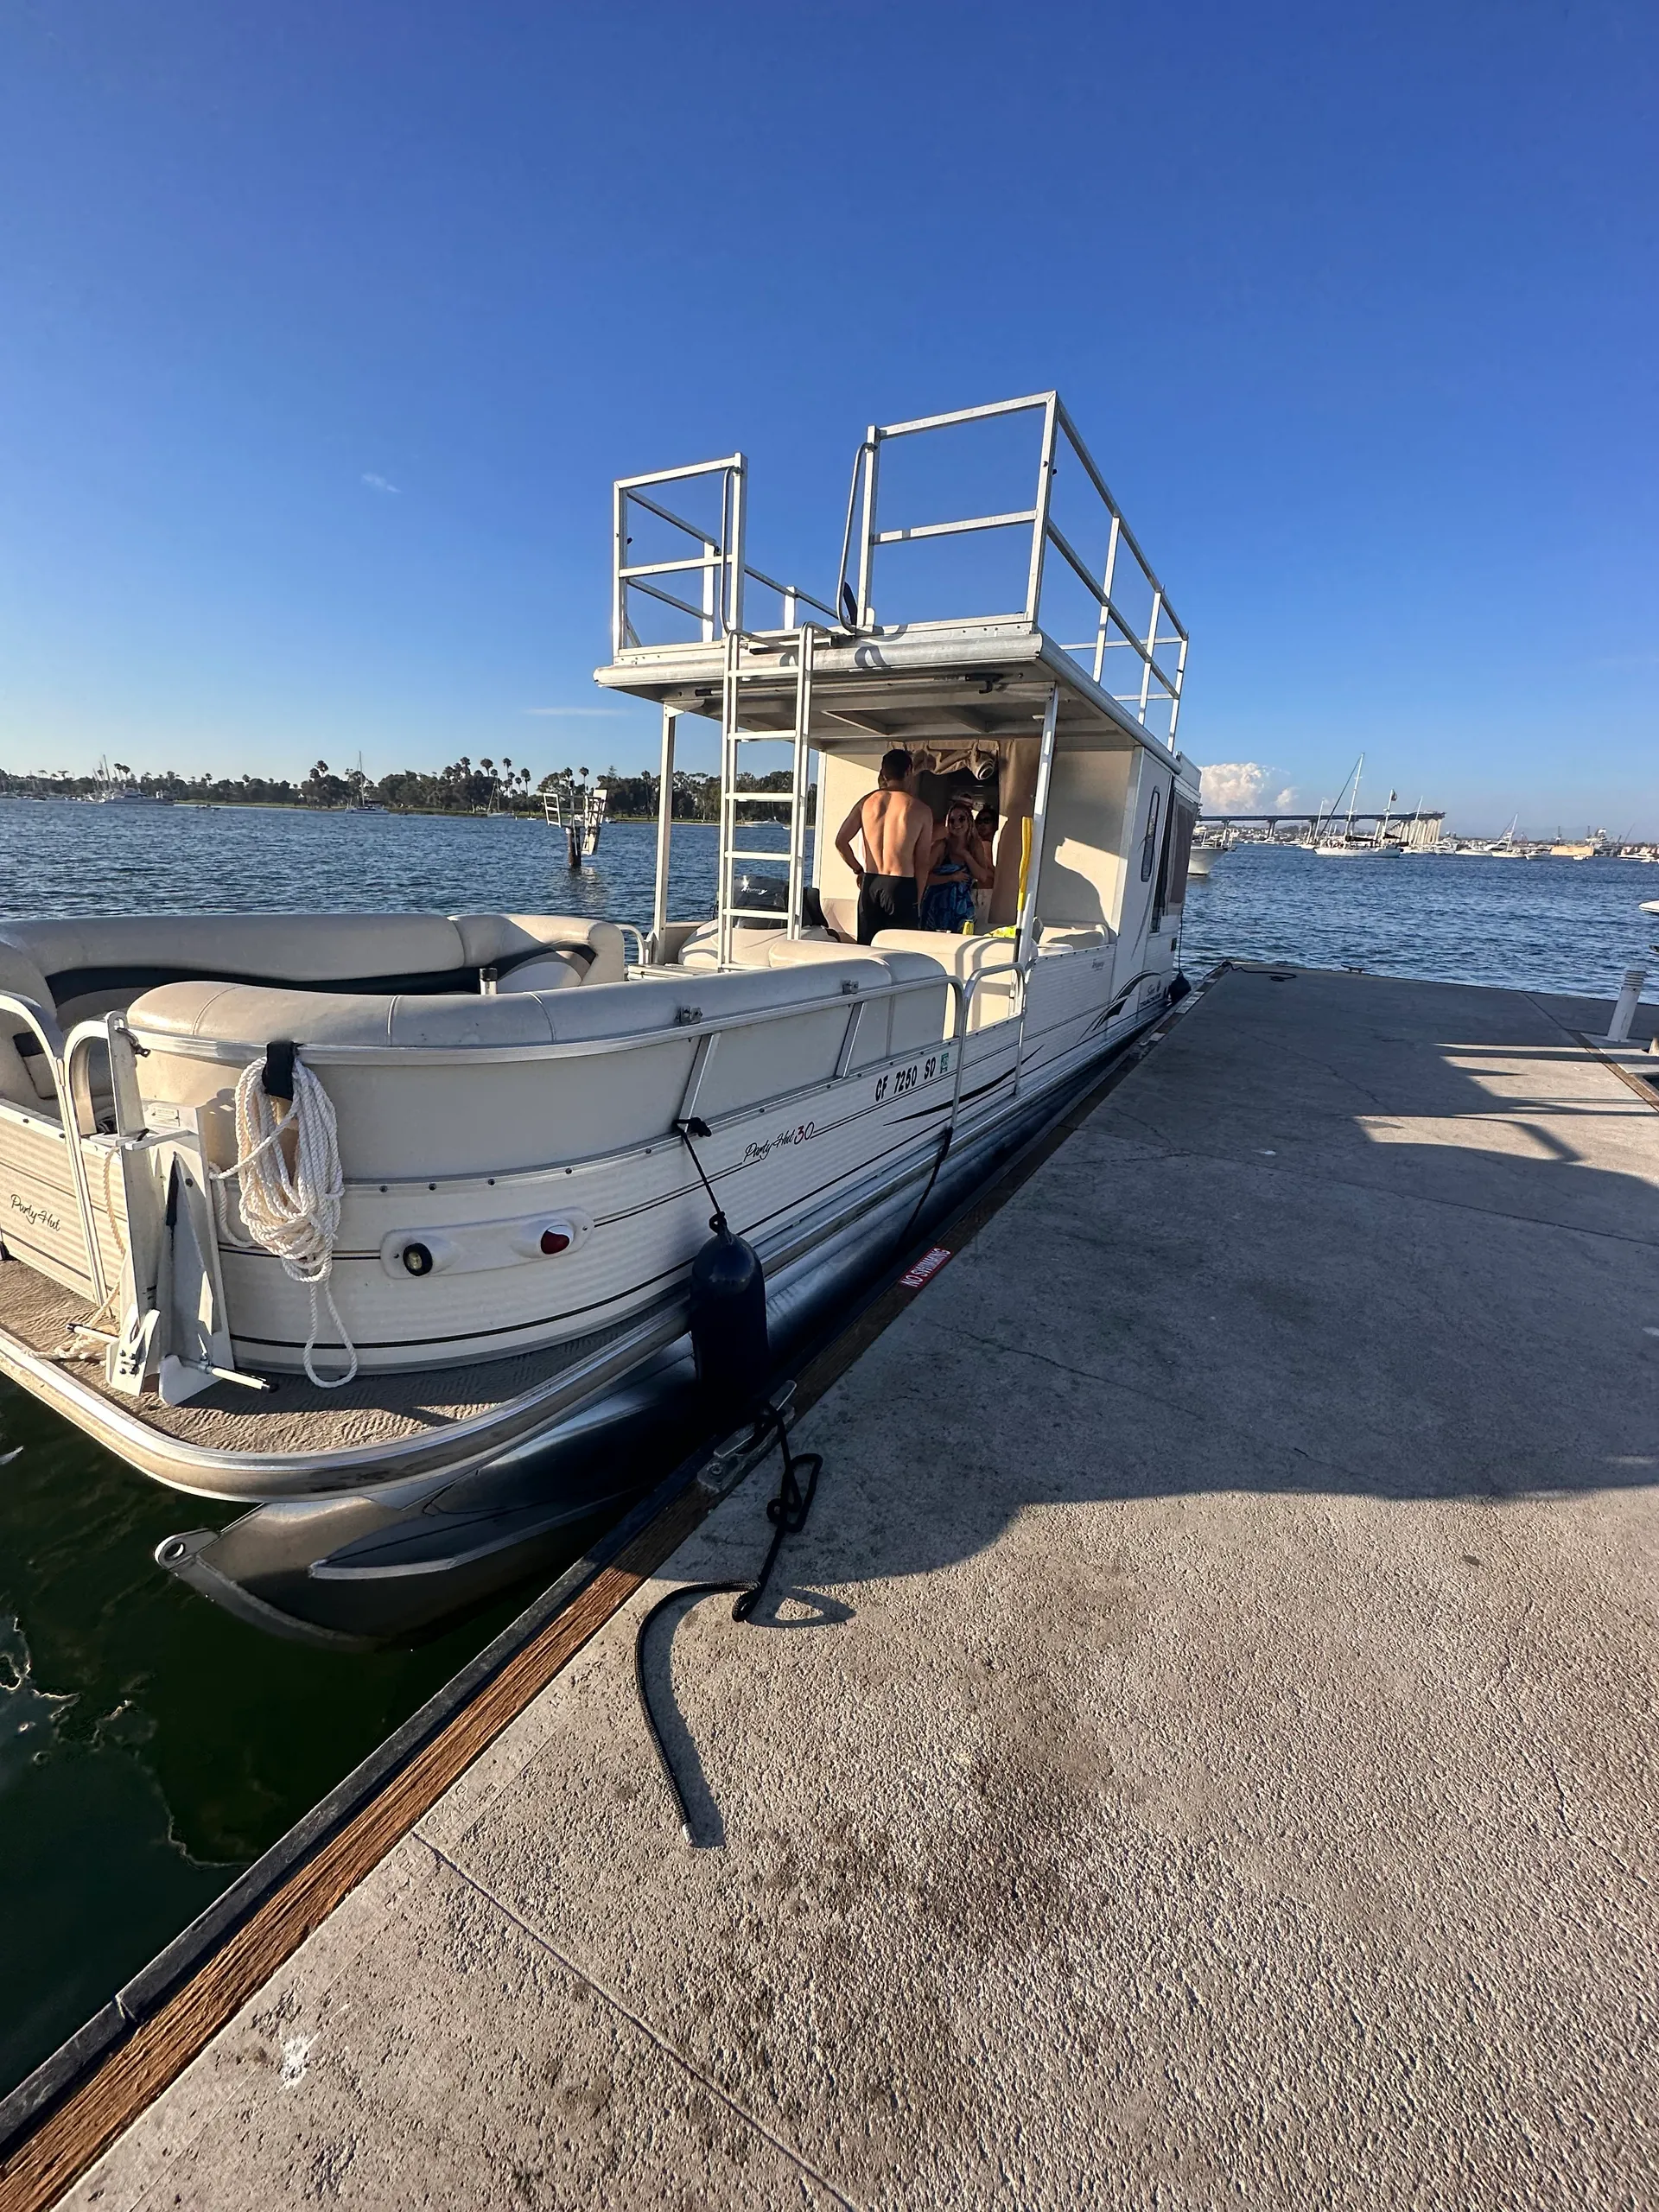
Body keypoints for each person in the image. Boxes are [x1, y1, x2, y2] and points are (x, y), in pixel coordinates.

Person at [834, 748, 934, 944]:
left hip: (871, 884)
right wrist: (918, 899)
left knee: (867, 950)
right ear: (908, 772)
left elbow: (841, 842)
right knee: (901, 952)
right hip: (901, 885)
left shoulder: (866, 802)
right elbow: (923, 862)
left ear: (884, 773)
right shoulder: (920, 810)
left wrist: (858, 870)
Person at [922, 798, 995, 932]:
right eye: (952, 820)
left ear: (969, 821)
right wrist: (951, 878)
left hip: (962, 908)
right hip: (937, 906)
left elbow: (982, 876)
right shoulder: (941, 846)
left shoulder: (975, 846)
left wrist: (966, 855)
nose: (957, 824)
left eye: (961, 819)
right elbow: (924, 878)